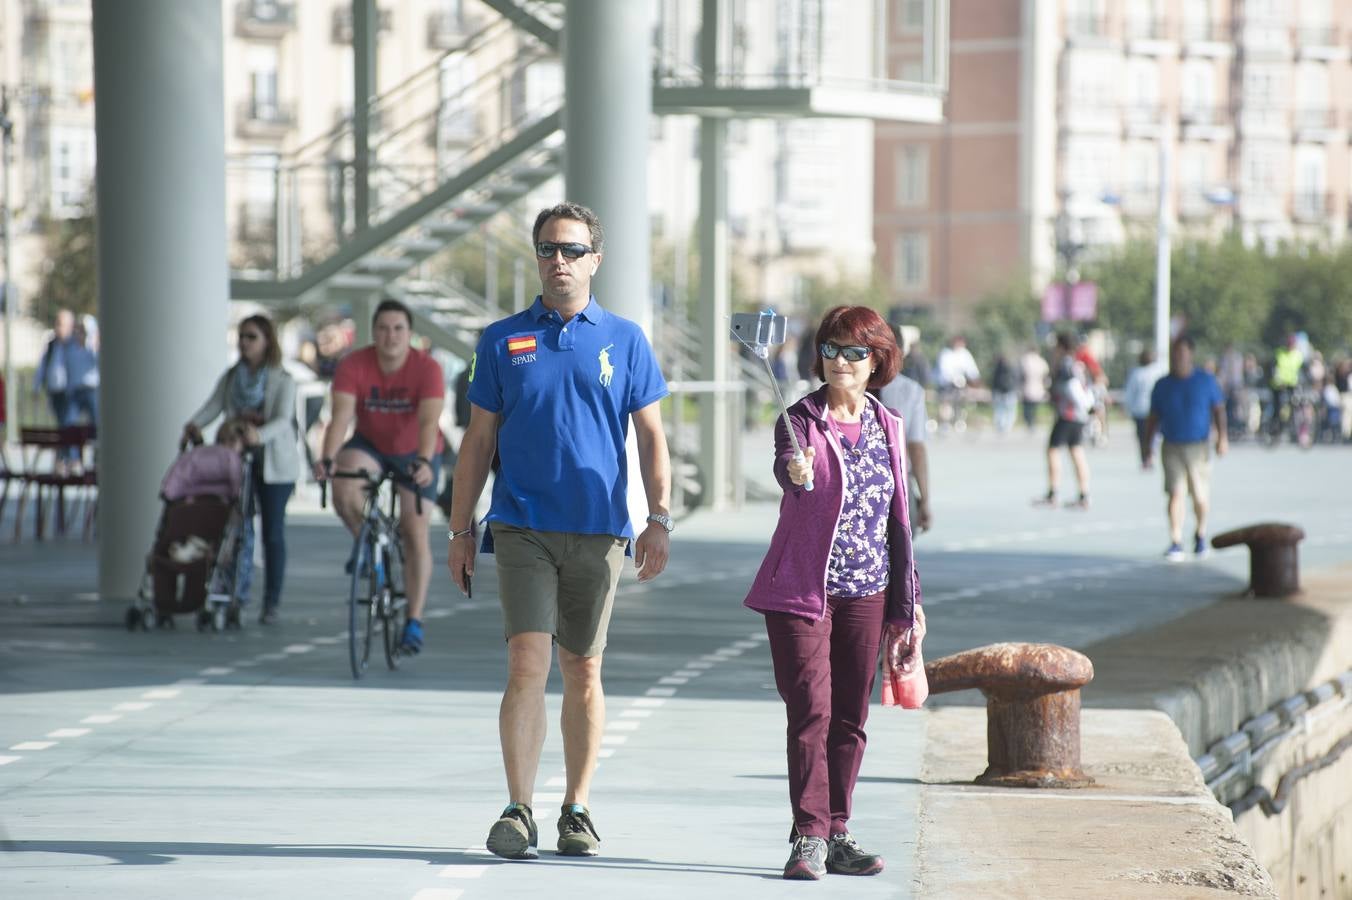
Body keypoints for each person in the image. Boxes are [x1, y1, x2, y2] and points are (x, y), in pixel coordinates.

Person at [447, 202, 672, 861]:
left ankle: (576, 807)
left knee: (584, 666)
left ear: (595, 260)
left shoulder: (625, 340)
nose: (560, 261)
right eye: (548, 249)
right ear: (537, 258)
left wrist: (657, 518)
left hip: (599, 528)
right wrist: (460, 530)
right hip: (520, 524)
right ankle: (519, 808)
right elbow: (477, 441)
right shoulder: (500, 339)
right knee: (527, 660)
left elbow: (652, 436)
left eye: (572, 250)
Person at [745, 305, 923, 881]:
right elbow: (788, 470)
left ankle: (838, 830)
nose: (841, 361)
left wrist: (909, 601)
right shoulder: (798, 421)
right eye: (831, 349)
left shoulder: (889, 424)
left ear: (877, 361)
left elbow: (899, 520)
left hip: (869, 591)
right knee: (811, 712)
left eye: (854, 351)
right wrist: (794, 472)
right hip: (803, 593)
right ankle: (808, 835)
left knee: (850, 715)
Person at [314, 299, 444, 650]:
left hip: (415, 448)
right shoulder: (354, 364)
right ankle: (369, 542)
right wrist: (326, 459)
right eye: (383, 329)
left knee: (415, 530)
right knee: (344, 484)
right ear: (373, 333)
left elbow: (430, 422)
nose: (391, 336)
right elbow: (340, 417)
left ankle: (413, 621)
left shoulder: (427, 368)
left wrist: (423, 461)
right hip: (370, 444)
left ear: (410, 334)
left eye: (398, 329)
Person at [184, 314, 299, 624]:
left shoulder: (281, 379)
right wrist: (195, 424)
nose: (245, 343)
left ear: (266, 341)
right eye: (242, 337)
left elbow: (283, 419)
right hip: (238, 461)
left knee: (273, 533)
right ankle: (235, 592)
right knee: (236, 528)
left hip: (275, 464)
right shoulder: (233, 377)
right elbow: (214, 405)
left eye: (252, 337)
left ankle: (271, 601)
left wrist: (258, 435)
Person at [1145, 335, 1227, 561]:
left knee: (1200, 496)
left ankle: (1200, 534)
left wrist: (1222, 437)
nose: (1178, 357)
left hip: (1198, 447)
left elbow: (1218, 409)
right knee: (1176, 493)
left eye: (1182, 352)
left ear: (1191, 354)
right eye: (1175, 352)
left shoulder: (1205, 381)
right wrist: (1147, 447)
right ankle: (1176, 540)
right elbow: (1153, 418)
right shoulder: (1162, 385)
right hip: (1171, 445)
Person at [875, 325, 932, 533]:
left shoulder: (848, 388)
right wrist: (924, 499)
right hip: (896, 482)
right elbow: (916, 447)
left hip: (854, 481)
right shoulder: (911, 391)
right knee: (899, 553)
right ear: (900, 352)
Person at [34, 308, 99, 472]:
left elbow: (89, 360)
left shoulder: (76, 344)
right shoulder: (52, 345)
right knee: (66, 427)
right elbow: (44, 366)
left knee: (91, 424)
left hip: (77, 391)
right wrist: (37, 386)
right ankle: (70, 458)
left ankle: (81, 458)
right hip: (62, 392)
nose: (58, 328)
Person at [1035, 333, 1093, 509]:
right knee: (1076, 451)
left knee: (1053, 451)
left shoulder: (1066, 364)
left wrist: (1079, 404)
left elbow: (1072, 387)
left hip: (1068, 415)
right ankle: (1084, 494)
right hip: (1077, 415)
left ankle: (1053, 493)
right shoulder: (1076, 363)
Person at [1122, 348, 1166, 469]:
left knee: (1143, 436)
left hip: (1140, 410)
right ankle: (1151, 455)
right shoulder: (1158, 372)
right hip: (1153, 410)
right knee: (1155, 435)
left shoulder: (1136, 373)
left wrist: (1127, 408)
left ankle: (1145, 458)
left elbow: (1130, 393)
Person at [1018, 344, 1049, 431]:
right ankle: (1032, 422)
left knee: (1027, 407)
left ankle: (1029, 422)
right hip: (1038, 387)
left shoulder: (1024, 360)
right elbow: (1045, 374)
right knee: (1034, 407)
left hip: (1026, 387)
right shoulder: (1041, 361)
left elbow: (1021, 375)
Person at [989, 352, 1018, 435]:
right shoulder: (1010, 368)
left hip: (999, 392)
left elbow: (994, 382)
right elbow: (1015, 379)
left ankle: (1000, 426)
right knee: (1010, 410)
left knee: (999, 409)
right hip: (1010, 391)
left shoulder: (997, 369)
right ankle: (1008, 426)